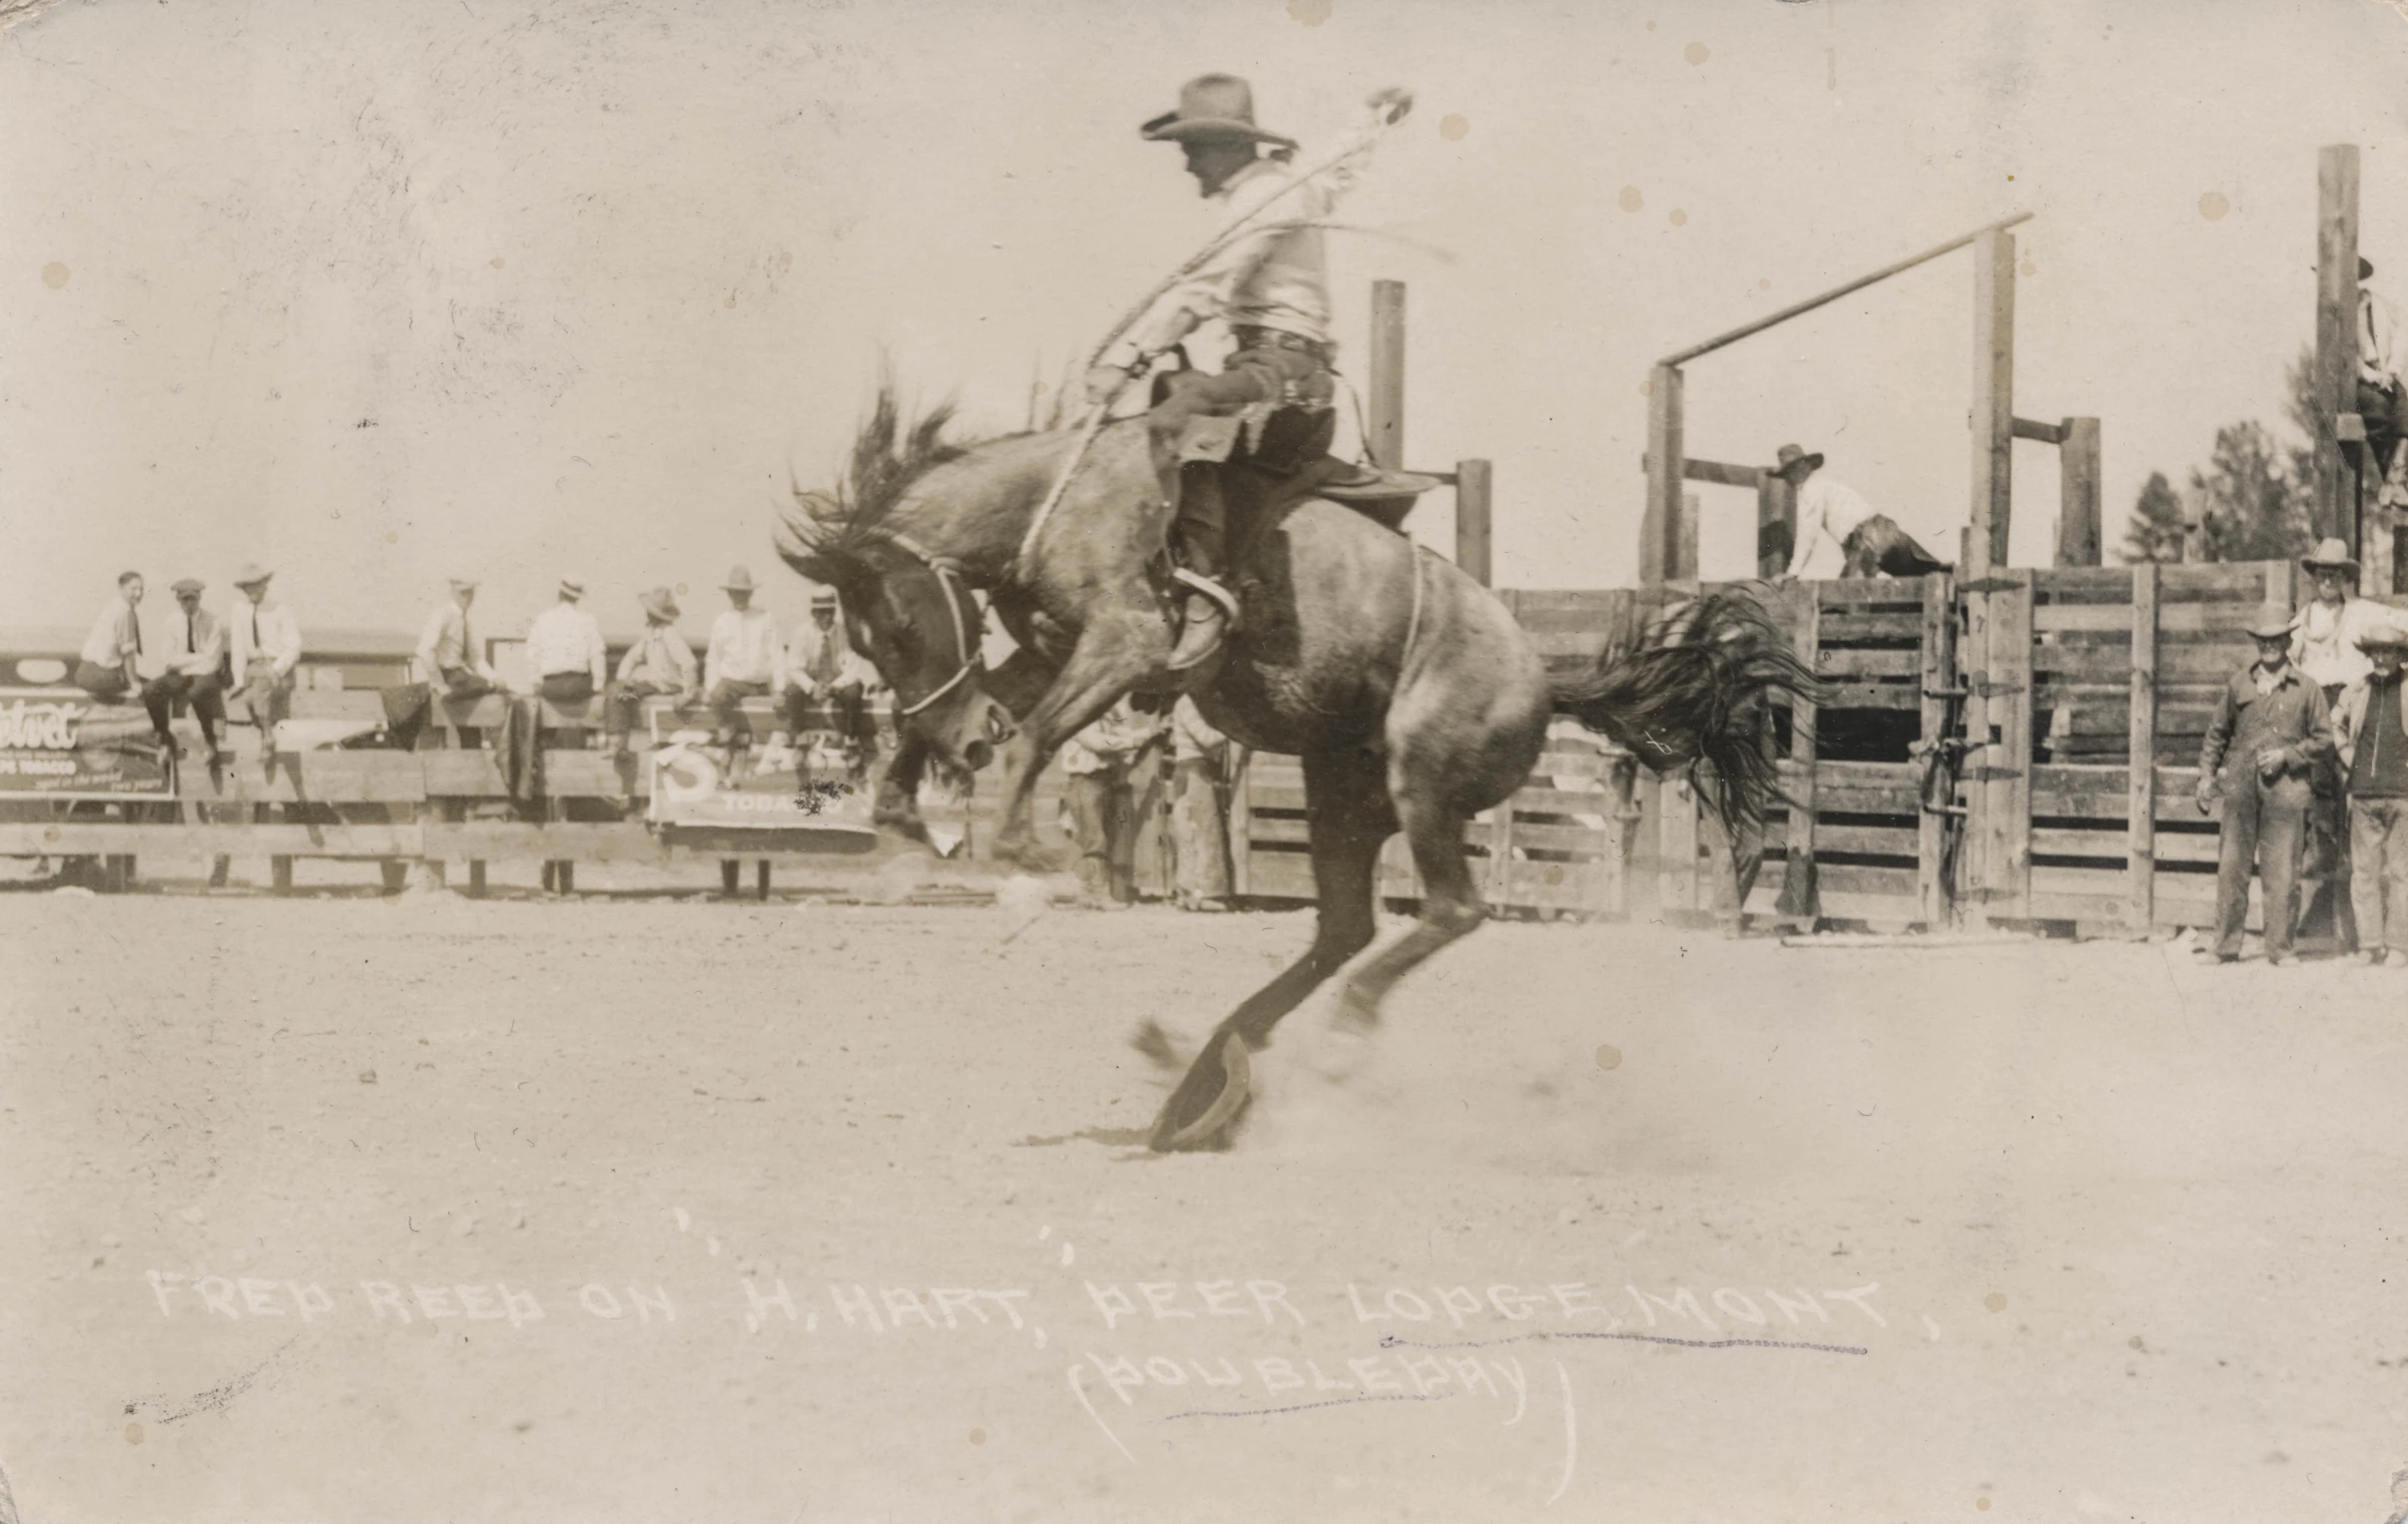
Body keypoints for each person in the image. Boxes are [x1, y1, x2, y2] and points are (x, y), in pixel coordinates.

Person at [1084, 75, 1411, 671]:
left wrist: (1123, 360)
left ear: (1224, 147)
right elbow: (1337, 169)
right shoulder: (1288, 185)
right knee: (1175, 396)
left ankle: (1207, 593)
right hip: (1273, 361)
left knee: (1176, 417)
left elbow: (1207, 288)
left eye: (1191, 150)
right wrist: (1373, 117)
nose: (1187, 167)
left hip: (1284, 368)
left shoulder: (1264, 200)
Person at [2197, 603, 2334, 965]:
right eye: (2262, 639)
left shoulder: (2307, 689)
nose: (2269, 645)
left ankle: (2280, 949)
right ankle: (2225, 947)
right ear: (2255, 641)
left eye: (2276, 639)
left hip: (2287, 792)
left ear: (2289, 641)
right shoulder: (2239, 684)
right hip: (2240, 790)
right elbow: (2217, 735)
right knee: (2232, 868)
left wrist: (2287, 756)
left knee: (2283, 872)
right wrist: (2207, 776)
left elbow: (2324, 740)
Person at [2291, 536, 2389, 950]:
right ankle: (2317, 913)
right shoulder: (2302, 619)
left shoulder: (2363, 612)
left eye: (2336, 573)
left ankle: (2361, 922)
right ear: (2313, 578)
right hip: (2315, 708)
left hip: (2351, 707)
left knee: (2357, 794)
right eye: (2321, 573)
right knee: (2318, 801)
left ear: (2346, 577)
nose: (2328, 580)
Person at [2329, 621, 2408, 966]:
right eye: (2376, 650)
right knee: (2364, 871)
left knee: (2402, 872)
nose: (2381, 657)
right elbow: (2335, 725)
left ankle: (2399, 946)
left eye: (2388, 650)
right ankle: (2370, 943)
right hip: (2362, 795)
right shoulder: (2356, 690)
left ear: (2400, 655)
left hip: (2403, 796)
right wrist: (2349, 758)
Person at [1775, 444, 1951, 581]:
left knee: (1846, 597)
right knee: (1925, 577)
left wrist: (1793, 572)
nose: (1789, 478)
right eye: (1787, 473)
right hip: (1891, 534)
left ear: (1804, 467)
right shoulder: (1827, 485)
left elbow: (1808, 532)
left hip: (1870, 539)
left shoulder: (1810, 490)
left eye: (1791, 471)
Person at [1060, 696, 1167, 908]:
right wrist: (1136, 740)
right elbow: (1099, 743)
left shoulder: (1102, 718)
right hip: (1085, 780)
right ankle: (1096, 894)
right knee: (1094, 839)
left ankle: (1090, 894)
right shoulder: (1079, 718)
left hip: (1101, 780)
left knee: (1098, 838)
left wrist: (1150, 732)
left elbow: (1121, 735)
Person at [784, 588, 879, 782]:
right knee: (792, 690)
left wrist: (834, 686)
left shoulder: (845, 633)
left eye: (829, 611)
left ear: (834, 612)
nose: (825, 617)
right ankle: (799, 739)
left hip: (838, 684)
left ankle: (851, 741)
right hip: (813, 683)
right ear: (813, 613)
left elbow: (854, 668)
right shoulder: (802, 633)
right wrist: (812, 686)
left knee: (854, 691)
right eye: (820, 612)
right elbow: (793, 667)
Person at [140, 578, 229, 762]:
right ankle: (164, 738)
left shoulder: (213, 622)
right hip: (181, 675)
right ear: (178, 600)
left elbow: (212, 662)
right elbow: (168, 659)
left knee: (197, 691)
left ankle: (210, 742)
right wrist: (197, 657)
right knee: (150, 690)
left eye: (193, 599)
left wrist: (184, 661)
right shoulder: (171, 622)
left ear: (199, 598)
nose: (189, 604)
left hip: (204, 675)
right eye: (184, 600)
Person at [703, 565, 785, 761]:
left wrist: (780, 689)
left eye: (744, 593)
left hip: (761, 685)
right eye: (735, 593)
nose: (740, 597)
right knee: (719, 697)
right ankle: (727, 746)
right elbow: (713, 659)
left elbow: (777, 654)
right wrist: (709, 688)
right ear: (729, 594)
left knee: (774, 718)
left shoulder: (765, 618)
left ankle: (758, 764)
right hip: (733, 684)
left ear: (750, 593)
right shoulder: (721, 621)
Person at [604, 586, 698, 757]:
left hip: (668, 686)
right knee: (618, 690)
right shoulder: (651, 634)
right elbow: (631, 657)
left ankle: (617, 743)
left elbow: (689, 664)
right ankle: (619, 743)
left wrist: (687, 694)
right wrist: (624, 678)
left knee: (617, 693)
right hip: (656, 684)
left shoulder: (669, 634)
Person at [228, 563, 301, 773]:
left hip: (277, 667)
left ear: (264, 585)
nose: (252, 591)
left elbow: (294, 645)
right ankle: (266, 735)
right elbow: (238, 647)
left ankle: (268, 738)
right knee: (248, 696)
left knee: (259, 690)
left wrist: (276, 669)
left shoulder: (280, 610)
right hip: (254, 668)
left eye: (256, 586)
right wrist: (238, 680)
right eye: (247, 587)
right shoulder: (239, 610)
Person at [1168, 695, 1237, 910]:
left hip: (1193, 768)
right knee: (1204, 829)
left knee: (1191, 829)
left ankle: (1187, 892)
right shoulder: (1187, 702)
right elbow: (1205, 737)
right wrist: (1234, 731)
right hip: (1193, 769)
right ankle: (1207, 894)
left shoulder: (1190, 701)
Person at [416, 576, 504, 700]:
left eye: (470, 592)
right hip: (447, 674)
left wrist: (494, 677)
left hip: (459, 675)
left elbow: (474, 658)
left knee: (498, 689)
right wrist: (439, 683)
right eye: (463, 593)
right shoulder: (443, 615)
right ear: (452, 593)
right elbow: (424, 650)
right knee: (487, 689)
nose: (467, 598)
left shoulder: (463, 621)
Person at [2360, 256, 2405, 495]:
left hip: (2382, 372)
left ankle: (2397, 480)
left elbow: (2401, 338)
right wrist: (2372, 376)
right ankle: (2390, 476)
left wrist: (2391, 372)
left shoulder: (2377, 304)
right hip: (2358, 379)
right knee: (2378, 408)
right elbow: (2346, 358)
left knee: (2403, 405)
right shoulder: (2337, 311)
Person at [524, 576, 607, 706]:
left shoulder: (543, 619)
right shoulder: (588, 620)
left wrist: (535, 683)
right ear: (578, 597)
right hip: (578, 687)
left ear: (560, 594)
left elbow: (533, 654)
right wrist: (598, 685)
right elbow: (597, 655)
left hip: (551, 687)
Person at [75, 571, 145, 703]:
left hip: (83, 674)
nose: (139, 594)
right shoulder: (125, 611)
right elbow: (128, 654)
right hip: (101, 677)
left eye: (141, 589)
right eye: (133, 589)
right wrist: (135, 683)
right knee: (153, 689)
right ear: (121, 588)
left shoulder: (113, 605)